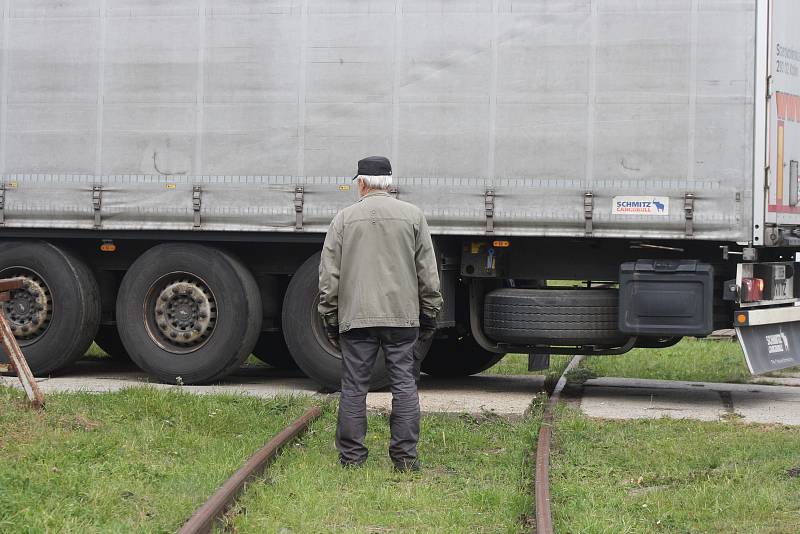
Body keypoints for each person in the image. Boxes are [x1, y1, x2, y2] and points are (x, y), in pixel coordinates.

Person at [318, 155, 443, 471]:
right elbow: (428, 273)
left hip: (356, 317)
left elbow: (329, 275)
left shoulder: (344, 220)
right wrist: (429, 313)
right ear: (390, 183)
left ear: (360, 183)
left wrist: (331, 316)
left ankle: (352, 458)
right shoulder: (413, 217)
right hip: (402, 318)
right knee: (403, 383)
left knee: (354, 386)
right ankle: (404, 459)